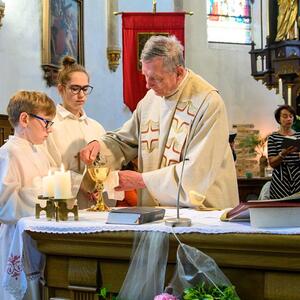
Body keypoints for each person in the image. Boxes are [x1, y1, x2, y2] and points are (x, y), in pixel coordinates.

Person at [80, 35, 239, 209]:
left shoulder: (208, 103)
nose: (148, 85)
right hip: (155, 214)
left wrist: (142, 180)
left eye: (156, 78)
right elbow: (125, 141)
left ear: (178, 72)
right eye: (145, 76)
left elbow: (197, 171)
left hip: (202, 213)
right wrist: (100, 146)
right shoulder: (150, 100)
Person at [0, 91, 56, 300]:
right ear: (25, 119)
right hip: (16, 237)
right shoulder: (8, 152)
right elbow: (4, 206)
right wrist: (42, 194)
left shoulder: (40, 152)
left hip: (39, 236)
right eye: (46, 122)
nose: (49, 130)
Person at [44, 56, 106, 208]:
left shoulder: (96, 127)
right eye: (75, 88)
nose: (81, 95)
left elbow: (105, 164)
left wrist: (100, 187)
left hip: (93, 203)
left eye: (85, 89)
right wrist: (82, 184)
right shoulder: (50, 125)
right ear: (60, 89)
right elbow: (47, 169)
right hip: (63, 203)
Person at [268, 104, 300, 199]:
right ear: (279, 119)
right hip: (281, 178)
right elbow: (272, 163)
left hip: (298, 176)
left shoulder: (299, 135)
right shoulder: (273, 137)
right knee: (280, 206)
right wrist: (283, 154)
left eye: (291, 116)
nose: (289, 119)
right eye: (285, 116)